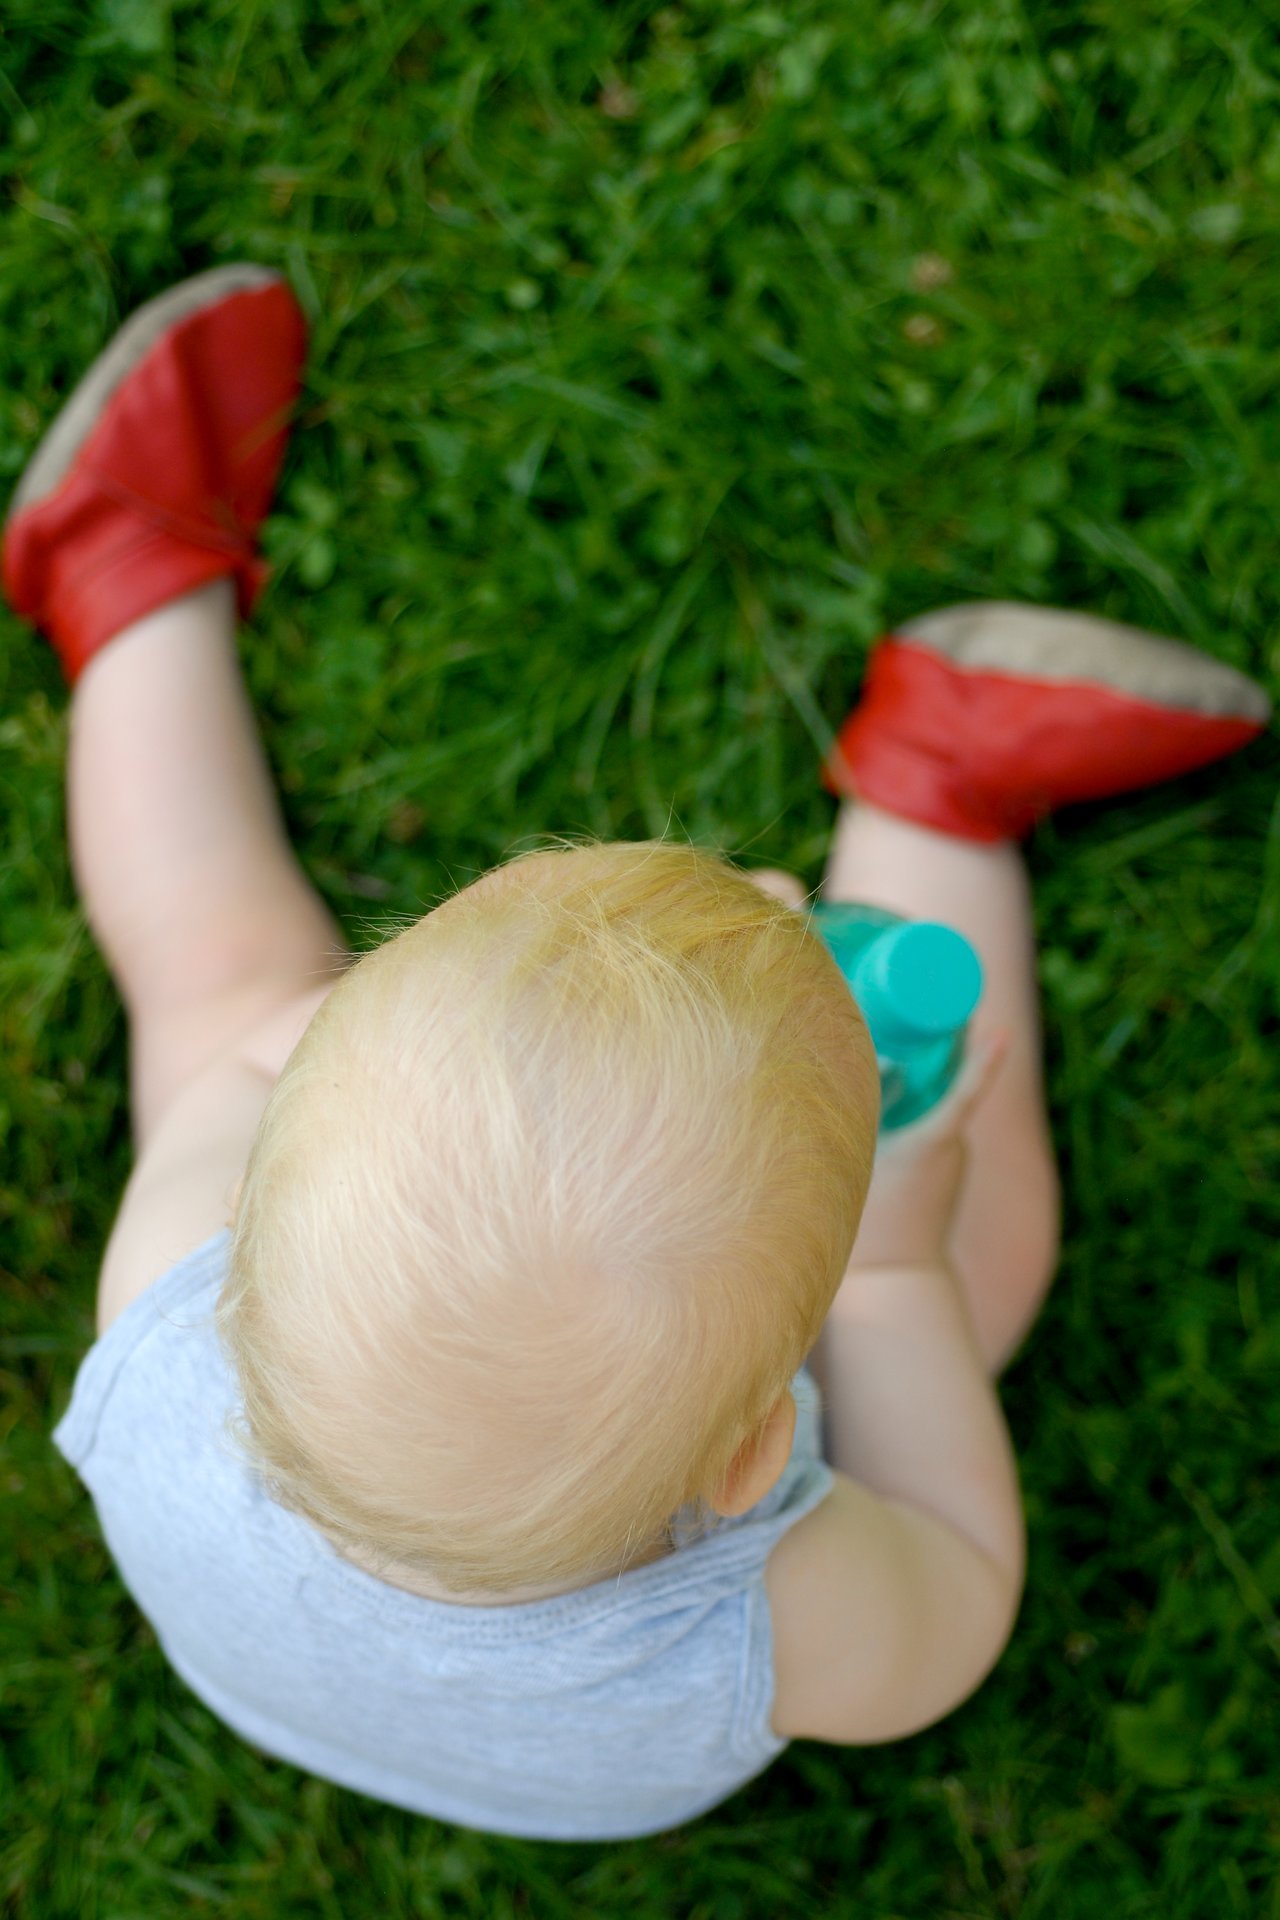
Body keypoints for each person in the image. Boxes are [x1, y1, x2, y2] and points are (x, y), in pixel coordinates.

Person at [8, 268, 1268, 1841]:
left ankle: (127, 582)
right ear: (756, 1452)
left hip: (264, 1651)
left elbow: (267, 1061)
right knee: (977, 1259)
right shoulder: (770, 1613)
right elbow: (954, 1579)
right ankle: (935, 799)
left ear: (260, 1215)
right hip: (576, 1704)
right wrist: (885, 1268)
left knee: (212, 969)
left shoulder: (165, 1288)